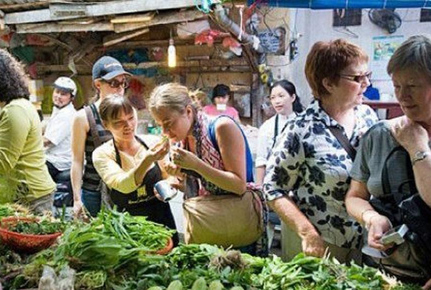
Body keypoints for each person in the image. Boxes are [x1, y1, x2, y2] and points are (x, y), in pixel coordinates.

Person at [346, 33, 431, 281]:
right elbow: (355, 196)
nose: (402, 96)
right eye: (397, 85)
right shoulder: (379, 134)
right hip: (384, 274)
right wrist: (372, 217)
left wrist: (417, 147)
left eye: (413, 86)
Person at [263, 39, 378, 263]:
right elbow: (272, 188)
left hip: (364, 241)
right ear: (328, 84)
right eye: (357, 78)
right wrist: (307, 232)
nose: (366, 83)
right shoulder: (301, 129)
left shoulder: (367, 116)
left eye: (367, 75)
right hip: (319, 244)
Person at [148, 83, 257, 252]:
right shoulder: (181, 141)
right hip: (205, 227)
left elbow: (239, 186)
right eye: (160, 125)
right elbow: (201, 187)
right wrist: (174, 182)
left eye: (168, 123)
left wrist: (197, 166)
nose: (165, 132)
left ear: (189, 112)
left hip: (235, 227)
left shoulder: (221, 127)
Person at [92, 95, 178, 245]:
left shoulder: (152, 142)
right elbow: (123, 185)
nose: (128, 126)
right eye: (119, 123)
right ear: (106, 125)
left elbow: (169, 176)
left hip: (161, 221)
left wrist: (170, 185)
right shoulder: (102, 154)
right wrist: (148, 160)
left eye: (131, 118)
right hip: (126, 227)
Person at [71, 56, 131, 217]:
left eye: (123, 82)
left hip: (123, 188)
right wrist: (77, 199)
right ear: (98, 84)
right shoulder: (83, 117)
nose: (120, 88)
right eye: (114, 83)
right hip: (94, 192)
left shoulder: (128, 113)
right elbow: (77, 161)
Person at [0, 49, 56, 213]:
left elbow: (3, 163)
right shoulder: (13, 106)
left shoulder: (15, 111)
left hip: (32, 197)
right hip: (20, 195)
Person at [256, 80, 303, 184]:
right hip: (275, 184)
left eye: (281, 96)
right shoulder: (267, 127)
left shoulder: (305, 123)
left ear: (293, 97)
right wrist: (259, 189)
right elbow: (261, 161)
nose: (277, 101)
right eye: (273, 98)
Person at [44, 77, 77, 186]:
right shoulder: (59, 109)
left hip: (59, 161)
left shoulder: (67, 115)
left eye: (63, 94)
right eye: (57, 92)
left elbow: (47, 141)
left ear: (71, 98)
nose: (58, 96)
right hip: (52, 156)